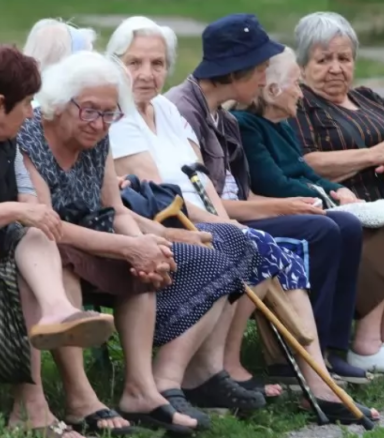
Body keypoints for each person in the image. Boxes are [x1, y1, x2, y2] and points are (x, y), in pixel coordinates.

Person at [105, 16, 379, 424]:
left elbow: (199, 181)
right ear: (114, 63)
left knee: (257, 243)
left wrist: (226, 221)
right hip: (159, 224)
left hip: (196, 218)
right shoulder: (121, 118)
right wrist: (230, 224)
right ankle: (192, 376)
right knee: (254, 244)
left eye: (158, 63)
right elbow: (161, 197)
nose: (147, 74)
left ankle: (308, 374)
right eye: (135, 63)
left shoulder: (165, 110)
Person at [17, 49, 286, 433]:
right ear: (60, 103)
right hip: (51, 242)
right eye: (90, 110)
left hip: (100, 236)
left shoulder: (99, 136)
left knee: (190, 258)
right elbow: (47, 223)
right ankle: (80, 398)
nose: (99, 123)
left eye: (109, 113)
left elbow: (115, 209)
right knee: (70, 266)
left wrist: (144, 247)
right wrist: (129, 246)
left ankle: (143, 387)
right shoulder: (31, 136)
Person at [165, 14, 370, 385]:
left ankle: (328, 349)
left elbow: (240, 192)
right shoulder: (185, 110)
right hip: (204, 224)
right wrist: (285, 205)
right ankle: (303, 354)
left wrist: (289, 203)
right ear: (236, 71)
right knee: (321, 229)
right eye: (259, 69)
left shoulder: (223, 120)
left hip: (232, 215)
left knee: (343, 223)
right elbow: (206, 201)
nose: (264, 78)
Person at [0, 43, 117, 438]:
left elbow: (29, 201)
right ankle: (32, 412)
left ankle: (57, 313)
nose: (31, 113)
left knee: (36, 230)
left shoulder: (6, 141)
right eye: (25, 103)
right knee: (24, 244)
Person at [232, 45, 384, 377]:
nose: (302, 94)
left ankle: (334, 345)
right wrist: (323, 198)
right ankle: (309, 344)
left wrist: (338, 190)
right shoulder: (248, 125)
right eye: (296, 85)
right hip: (269, 209)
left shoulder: (283, 124)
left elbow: (304, 172)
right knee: (332, 228)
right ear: (272, 91)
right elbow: (276, 183)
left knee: (347, 226)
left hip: (300, 205)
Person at [288, 12, 384, 373]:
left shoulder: (369, 98)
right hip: (349, 209)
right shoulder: (300, 106)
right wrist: (373, 155)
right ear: (301, 65)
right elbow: (303, 161)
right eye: (323, 59)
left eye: (343, 58)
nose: (335, 68)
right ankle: (367, 342)